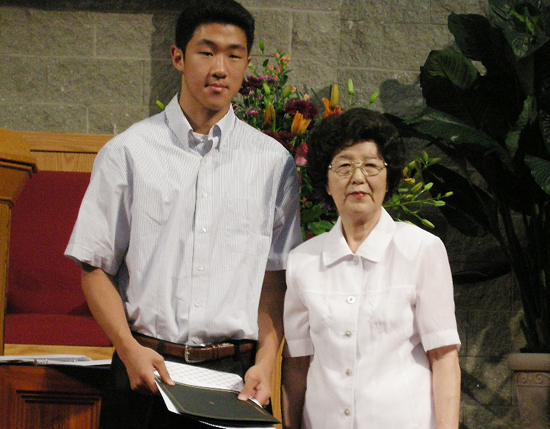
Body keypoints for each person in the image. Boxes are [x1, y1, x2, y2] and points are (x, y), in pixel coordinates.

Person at [65, 0, 302, 427]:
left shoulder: (273, 162)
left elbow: (275, 276)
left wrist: (266, 363)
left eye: (234, 55)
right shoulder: (128, 151)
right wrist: (128, 349)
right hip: (145, 367)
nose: (220, 68)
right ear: (178, 57)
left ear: (247, 64)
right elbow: (94, 265)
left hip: (236, 378)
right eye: (206, 52)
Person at [281, 108, 461, 429]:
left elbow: (444, 357)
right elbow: (297, 364)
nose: (358, 177)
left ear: (388, 178)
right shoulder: (302, 261)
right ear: (326, 180)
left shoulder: (422, 250)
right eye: (344, 165)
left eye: (371, 165)